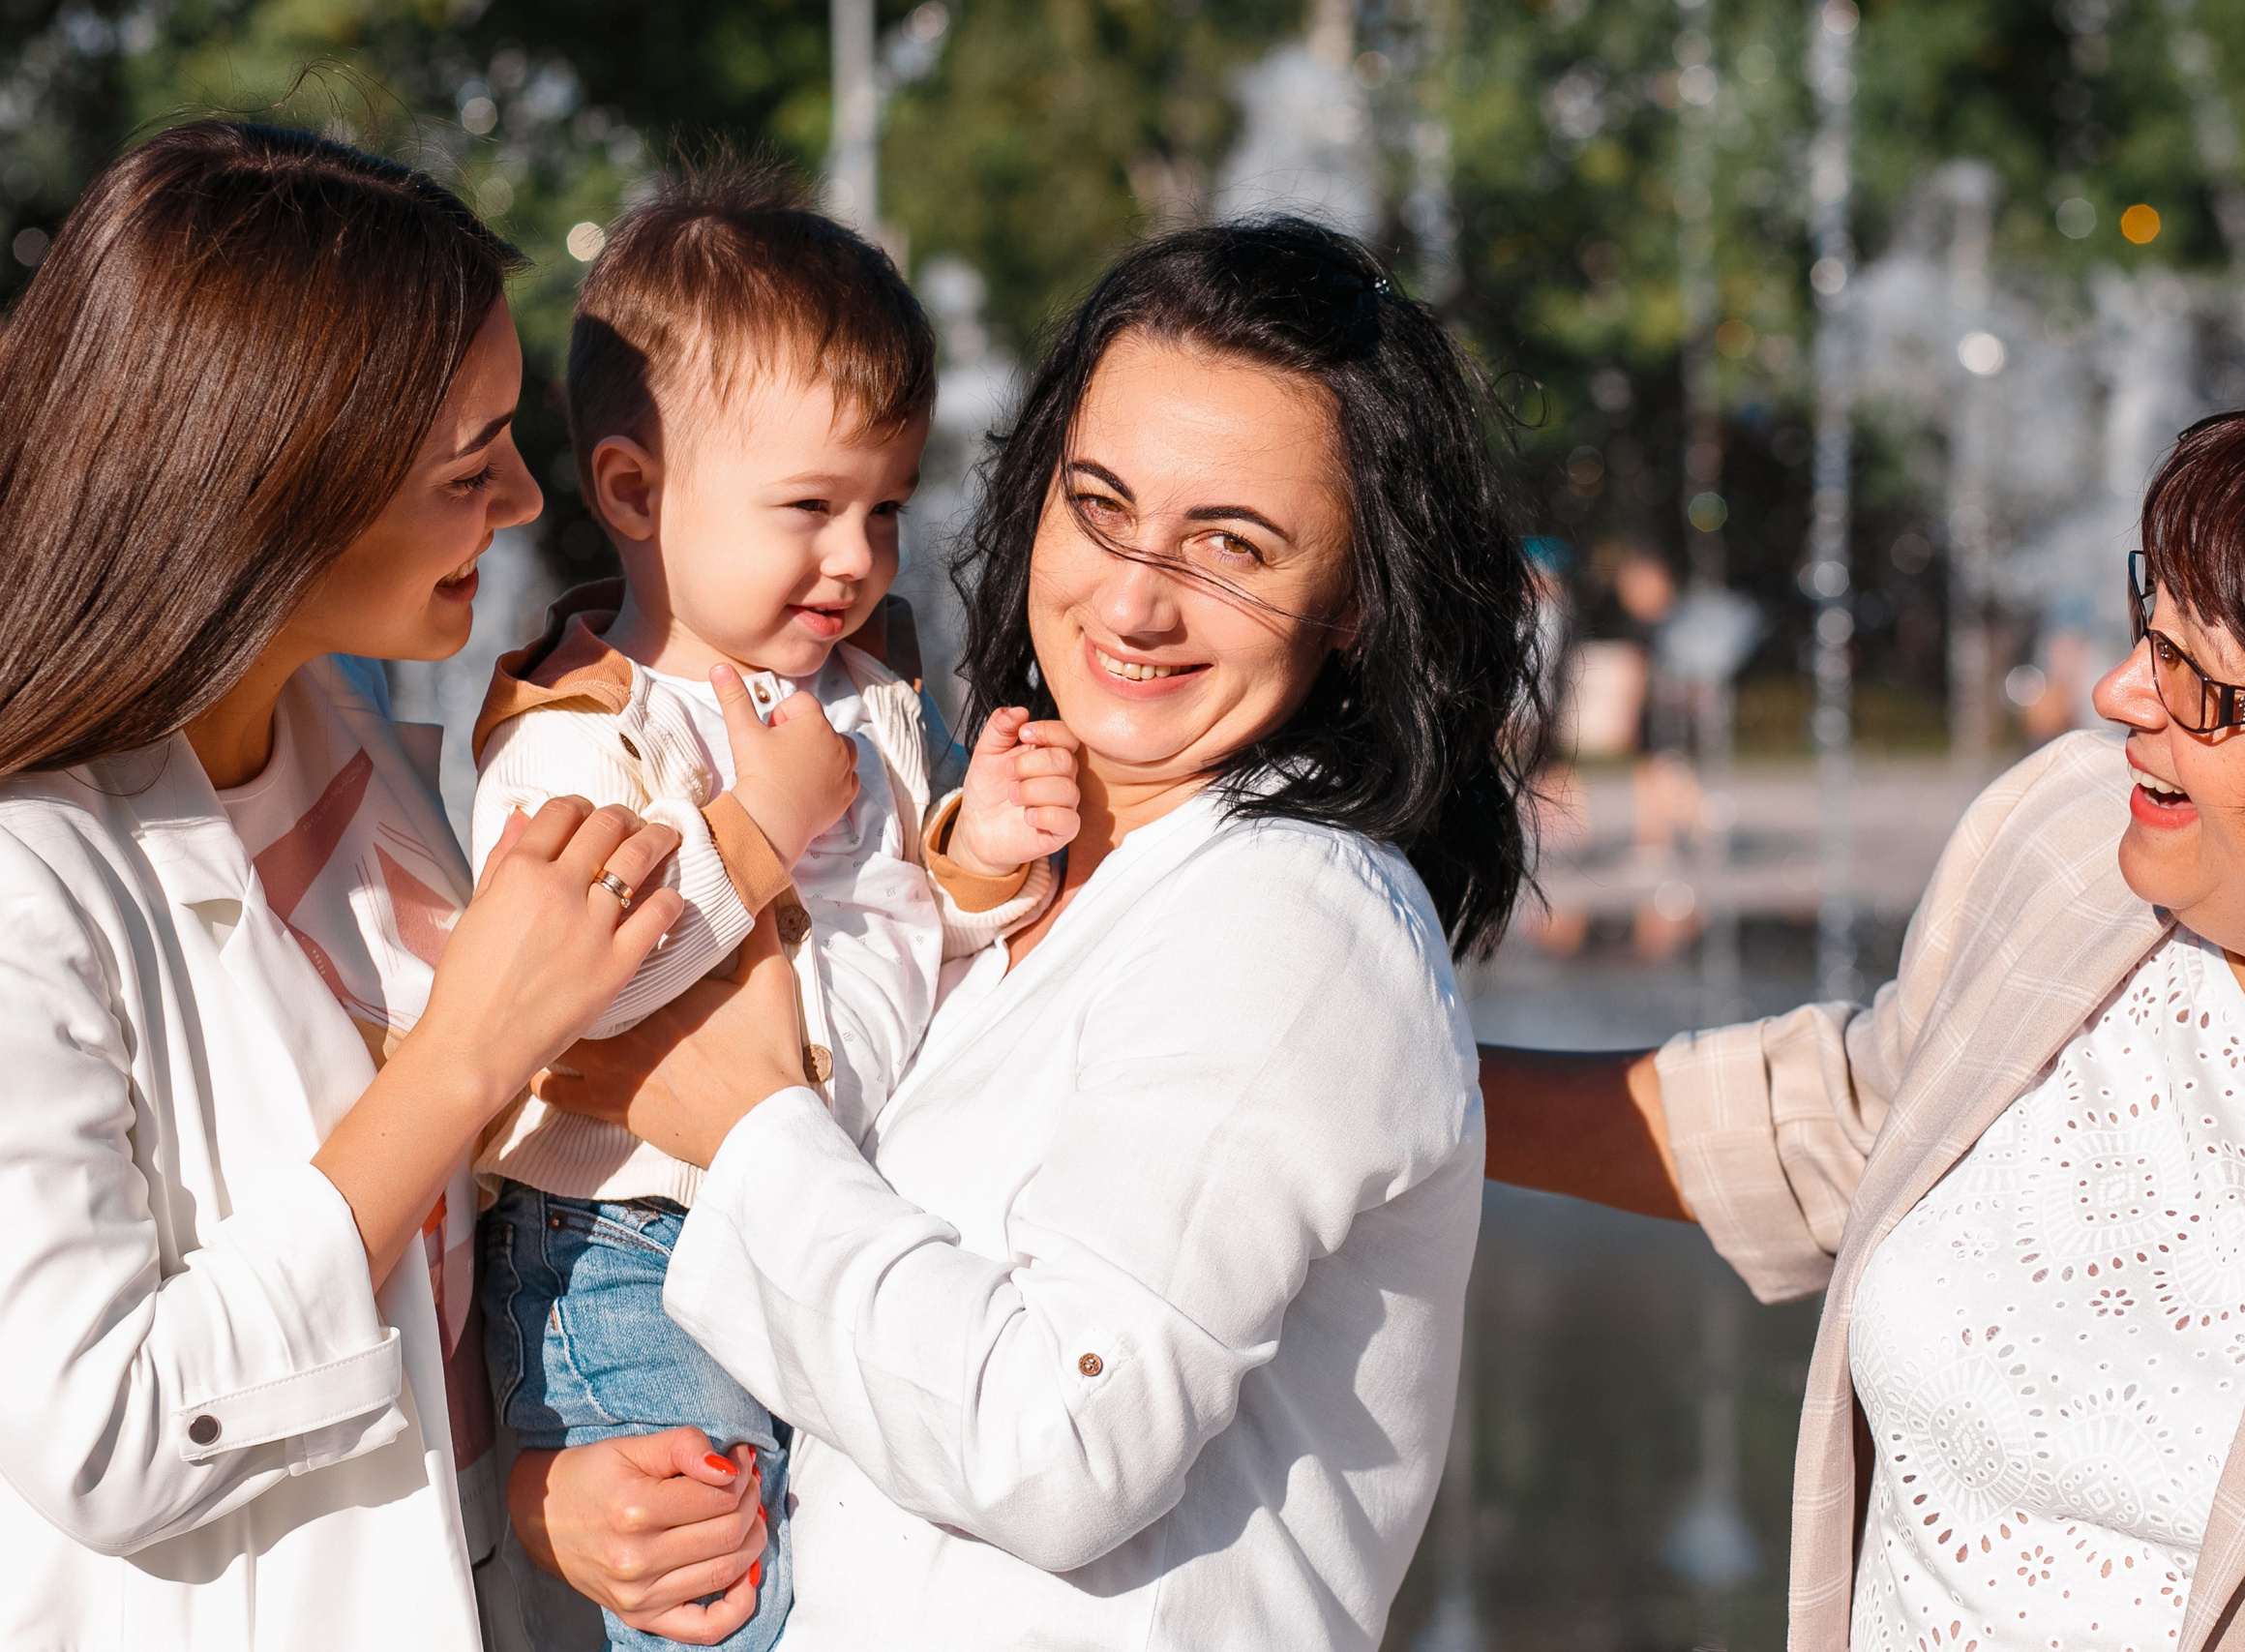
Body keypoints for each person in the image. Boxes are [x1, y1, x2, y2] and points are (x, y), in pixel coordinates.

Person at [507, 218, 1542, 1650]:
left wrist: (749, 1125)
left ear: (1357, 597)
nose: (1132, 598)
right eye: (1100, 505)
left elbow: (1058, 1446)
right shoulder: (995, 863)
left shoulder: (1286, 918)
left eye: (1230, 547)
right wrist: (560, 1495)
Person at [1482, 384, 2245, 1650]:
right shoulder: (2068, 845)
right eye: (2145, 624)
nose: (2121, 694)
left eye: (2201, 682)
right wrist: (1414, 1102)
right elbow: (1860, 1125)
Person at [0, 121, 693, 1649]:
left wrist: (534, 1490)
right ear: (271, 490)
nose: (521, 503)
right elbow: (105, 1437)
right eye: (471, 467)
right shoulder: (27, 879)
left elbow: (423, 1303)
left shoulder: (347, 738)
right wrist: (462, 1061)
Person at [466, 163, 1047, 1652]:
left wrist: (981, 856)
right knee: (711, 1597)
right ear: (636, 491)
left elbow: (914, 927)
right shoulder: (581, 726)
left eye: (884, 508)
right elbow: (569, 992)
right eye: (810, 508)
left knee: (837, 1587)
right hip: (634, 1247)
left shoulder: (870, 694)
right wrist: (757, 828)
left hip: (826, 1210)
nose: (855, 559)